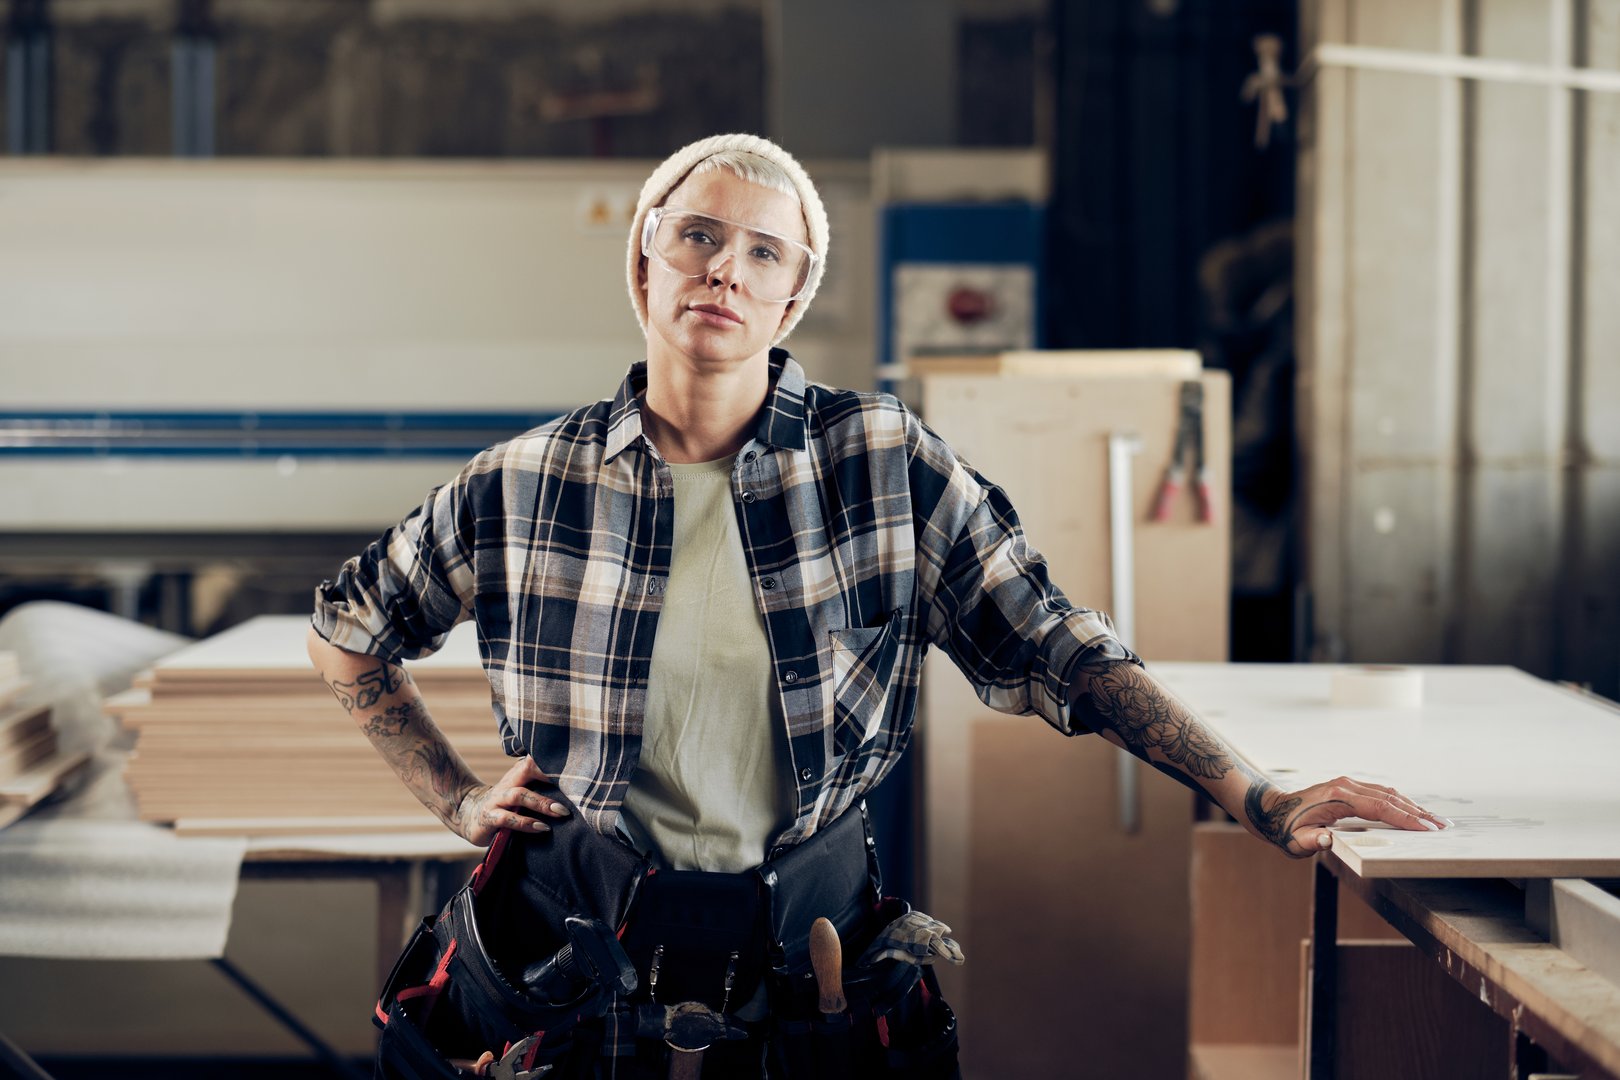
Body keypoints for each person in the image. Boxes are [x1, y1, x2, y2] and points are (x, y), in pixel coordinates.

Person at [307, 133, 1449, 1079]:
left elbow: (1057, 647)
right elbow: (348, 631)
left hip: (807, 974)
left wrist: (1253, 794)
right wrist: (455, 799)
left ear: (793, 293)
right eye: (696, 235)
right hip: (568, 967)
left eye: (763, 252)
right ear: (643, 264)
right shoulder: (523, 482)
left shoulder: (883, 465)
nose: (724, 269)